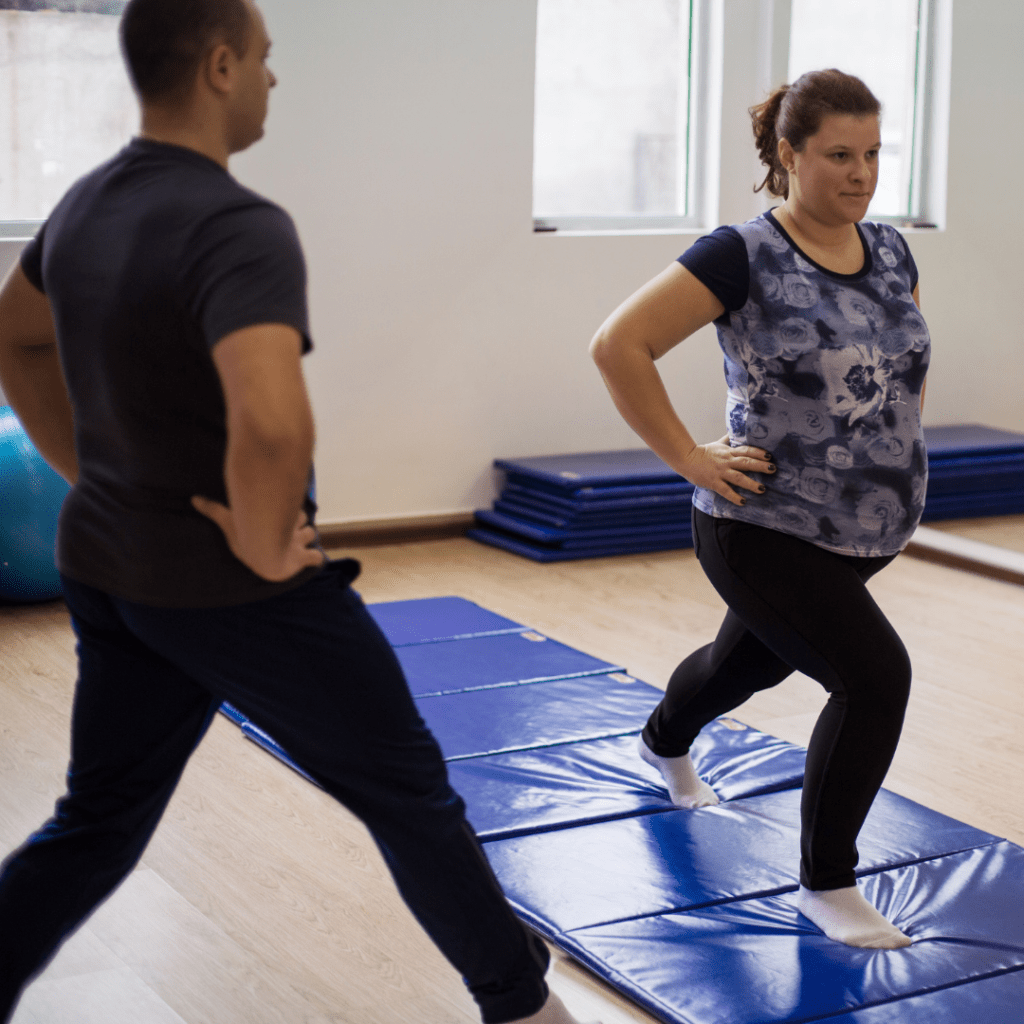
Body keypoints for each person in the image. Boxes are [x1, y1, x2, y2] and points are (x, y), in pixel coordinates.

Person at [0, 2, 594, 1021]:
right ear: (221, 65)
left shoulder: (85, 203)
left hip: (105, 562)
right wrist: (269, 543)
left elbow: (13, 338)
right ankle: (521, 1003)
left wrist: (92, 468)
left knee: (96, 816)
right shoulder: (237, 224)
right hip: (229, 584)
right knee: (408, 792)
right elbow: (271, 423)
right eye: (268, 60)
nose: (275, 80)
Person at [590, 68, 929, 951]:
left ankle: (663, 740)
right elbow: (619, 344)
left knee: (749, 666)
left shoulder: (891, 249)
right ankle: (827, 885)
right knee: (872, 677)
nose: (860, 174)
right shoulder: (742, 253)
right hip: (761, 526)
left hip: (866, 532)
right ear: (789, 154)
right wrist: (689, 458)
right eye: (839, 155)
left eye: (873, 154)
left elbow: (894, 376)